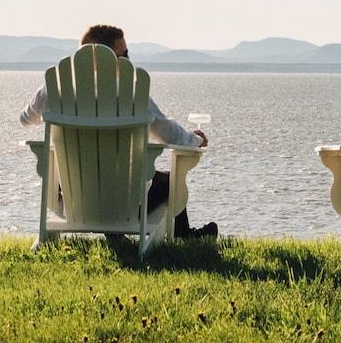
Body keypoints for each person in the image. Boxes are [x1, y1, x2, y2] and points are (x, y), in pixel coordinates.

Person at [20, 24, 219, 239]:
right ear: (99, 55)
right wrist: (195, 140)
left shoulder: (54, 87)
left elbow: (25, 119)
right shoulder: (130, 93)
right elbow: (167, 132)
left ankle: (115, 237)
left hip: (73, 199)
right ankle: (184, 236)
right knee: (171, 181)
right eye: (123, 55)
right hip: (126, 203)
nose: (127, 60)